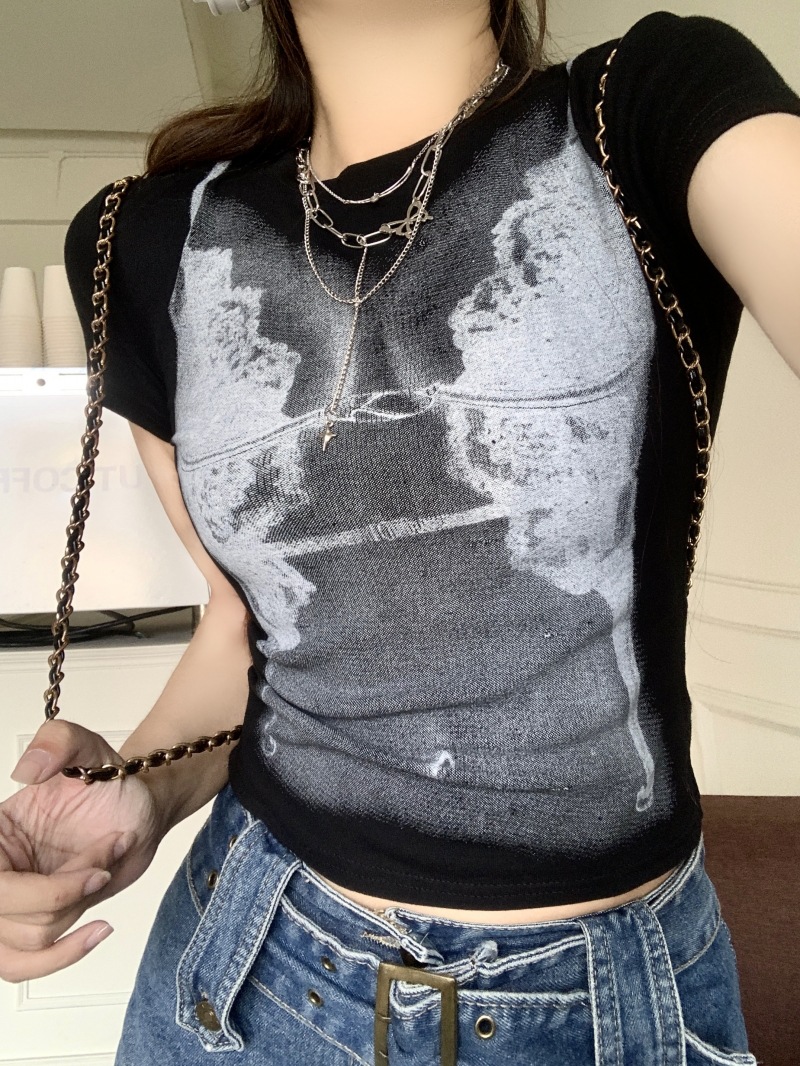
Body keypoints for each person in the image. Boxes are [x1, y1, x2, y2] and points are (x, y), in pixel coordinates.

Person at [2, 1, 799, 1062]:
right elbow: (247, 628)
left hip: (593, 1004)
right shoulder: (142, 237)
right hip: (239, 965)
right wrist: (140, 789)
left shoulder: (649, 107)